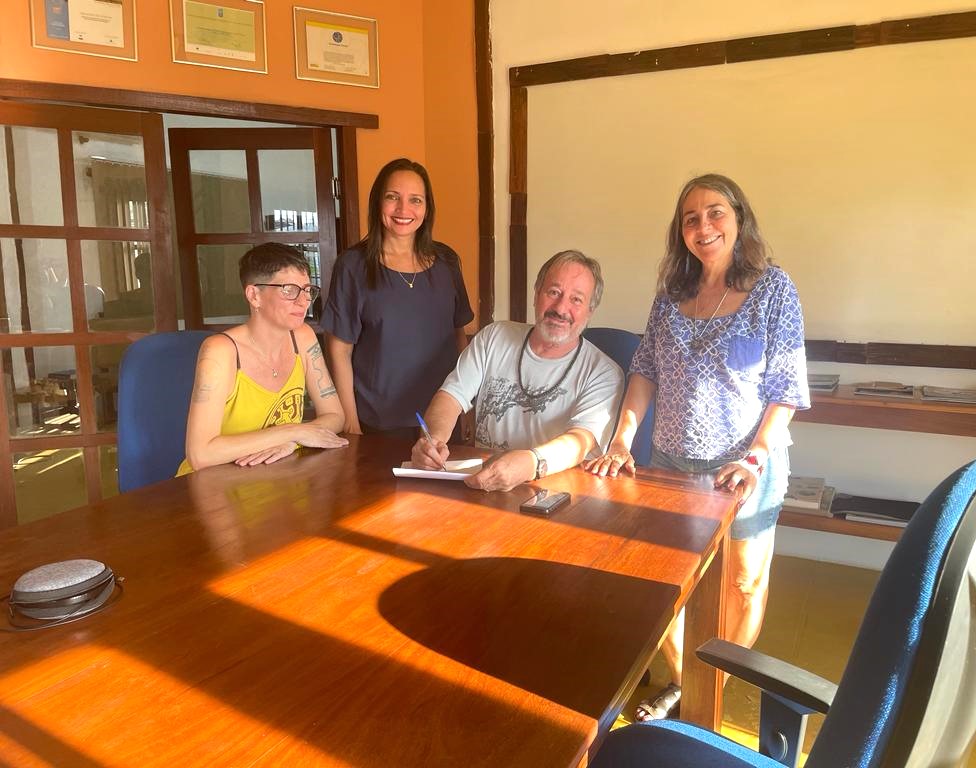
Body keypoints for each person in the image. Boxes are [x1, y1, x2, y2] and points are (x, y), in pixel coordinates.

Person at [584, 174, 810, 721]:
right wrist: (621, 439)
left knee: (742, 582)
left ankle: (710, 689)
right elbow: (644, 370)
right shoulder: (671, 297)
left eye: (715, 213)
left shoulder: (773, 289)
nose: (703, 226)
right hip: (672, 464)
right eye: (691, 218)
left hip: (746, 468)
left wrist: (754, 457)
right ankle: (690, 684)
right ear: (680, 231)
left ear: (739, 219)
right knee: (668, 582)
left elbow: (786, 388)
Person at [412, 250, 623, 492]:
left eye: (576, 299)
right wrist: (433, 440)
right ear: (536, 294)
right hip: (482, 485)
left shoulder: (604, 373)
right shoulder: (494, 337)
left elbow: (581, 440)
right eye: (553, 292)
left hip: (557, 492)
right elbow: (451, 396)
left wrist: (531, 463)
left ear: (590, 311)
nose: (561, 308)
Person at [322, 158, 474, 439]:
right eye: (393, 197)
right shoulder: (353, 266)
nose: (404, 210)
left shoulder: (447, 261)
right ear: (377, 203)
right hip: (377, 422)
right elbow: (339, 350)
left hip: (441, 419)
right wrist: (350, 422)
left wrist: (464, 409)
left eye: (415, 200)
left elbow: (458, 337)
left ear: (427, 208)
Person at [178, 243, 348, 474]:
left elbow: (335, 416)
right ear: (254, 295)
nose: (304, 301)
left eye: (307, 290)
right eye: (289, 290)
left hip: (273, 475)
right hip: (211, 483)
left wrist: (291, 442)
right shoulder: (220, 351)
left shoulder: (303, 337)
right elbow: (200, 455)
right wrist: (294, 431)